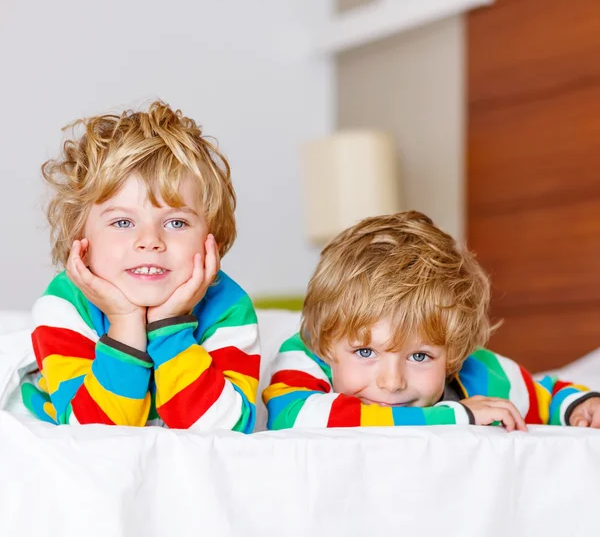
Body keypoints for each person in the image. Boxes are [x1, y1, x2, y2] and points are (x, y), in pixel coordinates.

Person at [22, 100, 259, 431]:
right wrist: (124, 322)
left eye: (176, 223)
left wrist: (169, 326)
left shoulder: (227, 306)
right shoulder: (64, 305)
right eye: (122, 223)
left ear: (212, 241)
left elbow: (226, 432)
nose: (150, 241)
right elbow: (93, 434)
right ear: (81, 240)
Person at [263, 211, 600, 430]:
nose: (392, 383)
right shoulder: (307, 352)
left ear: (453, 357)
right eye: (366, 352)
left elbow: (544, 393)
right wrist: (458, 415)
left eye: (419, 356)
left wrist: (579, 407)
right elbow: (293, 417)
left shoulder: (478, 374)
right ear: (324, 343)